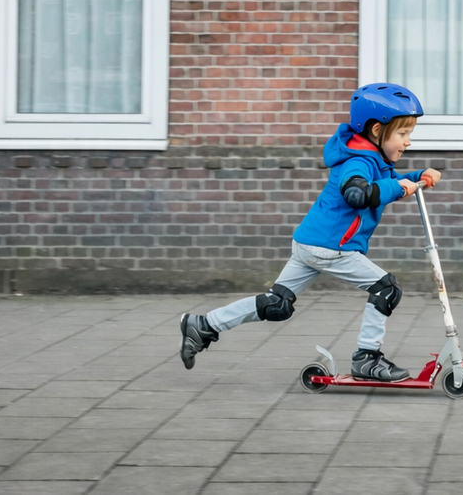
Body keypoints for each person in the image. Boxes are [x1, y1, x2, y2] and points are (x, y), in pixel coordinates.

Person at [177, 83, 441, 382]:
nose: (408, 142)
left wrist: (417, 177)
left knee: (277, 304)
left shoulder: (371, 157)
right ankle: (367, 358)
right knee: (386, 289)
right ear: (377, 130)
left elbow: (387, 181)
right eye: (403, 134)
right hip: (331, 248)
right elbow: (357, 193)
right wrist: (397, 187)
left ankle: (204, 325)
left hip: (310, 242)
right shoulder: (358, 161)